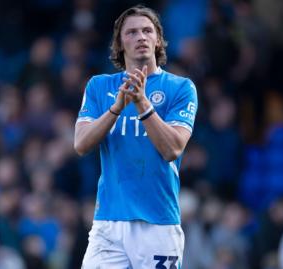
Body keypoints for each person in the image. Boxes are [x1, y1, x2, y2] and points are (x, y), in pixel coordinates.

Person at [74, 5, 198, 268]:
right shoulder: (99, 86)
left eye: (147, 30)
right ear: (119, 44)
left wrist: (142, 103)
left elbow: (173, 149)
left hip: (158, 222)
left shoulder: (181, 88)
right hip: (108, 221)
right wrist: (116, 108)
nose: (141, 37)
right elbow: (81, 144)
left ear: (158, 39)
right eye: (131, 32)